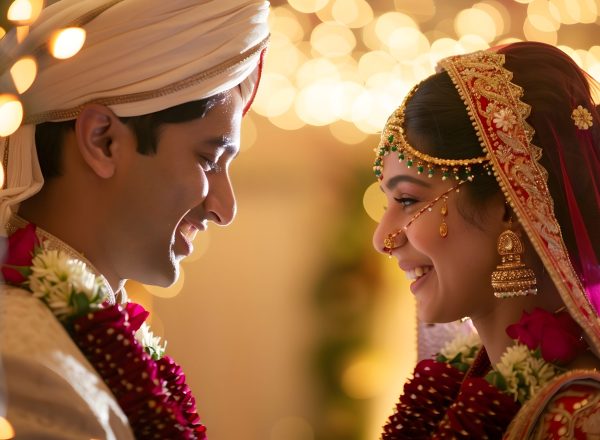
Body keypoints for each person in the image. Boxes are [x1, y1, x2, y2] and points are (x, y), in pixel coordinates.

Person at [0, 0, 269, 438]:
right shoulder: (24, 364)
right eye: (209, 159)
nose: (225, 207)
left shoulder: (77, 338)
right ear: (102, 140)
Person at [372, 41, 600, 438]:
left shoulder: (578, 418)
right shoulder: (471, 388)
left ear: (509, 207)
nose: (382, 238)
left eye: (408, 200)